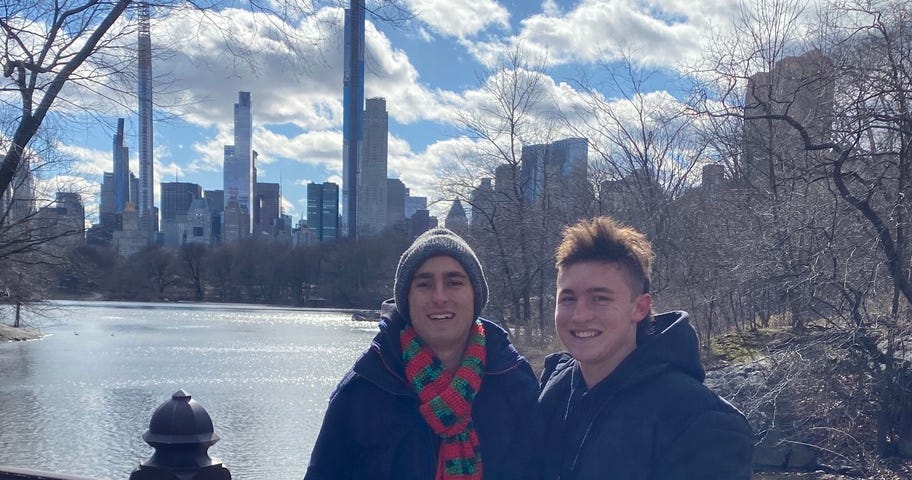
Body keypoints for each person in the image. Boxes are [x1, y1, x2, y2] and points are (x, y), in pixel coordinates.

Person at [304, 228, 540, 480]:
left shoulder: (514, 382)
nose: (439, 297)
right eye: (424, 284)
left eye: (454, 282)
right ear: (407, 299)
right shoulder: (363, 388)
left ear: (475, 296)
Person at [539, 216, 754, 479]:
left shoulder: (700, 422)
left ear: (639, 307)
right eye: (568, 298)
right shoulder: (551, 393)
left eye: (600, 298)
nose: (580, 315)